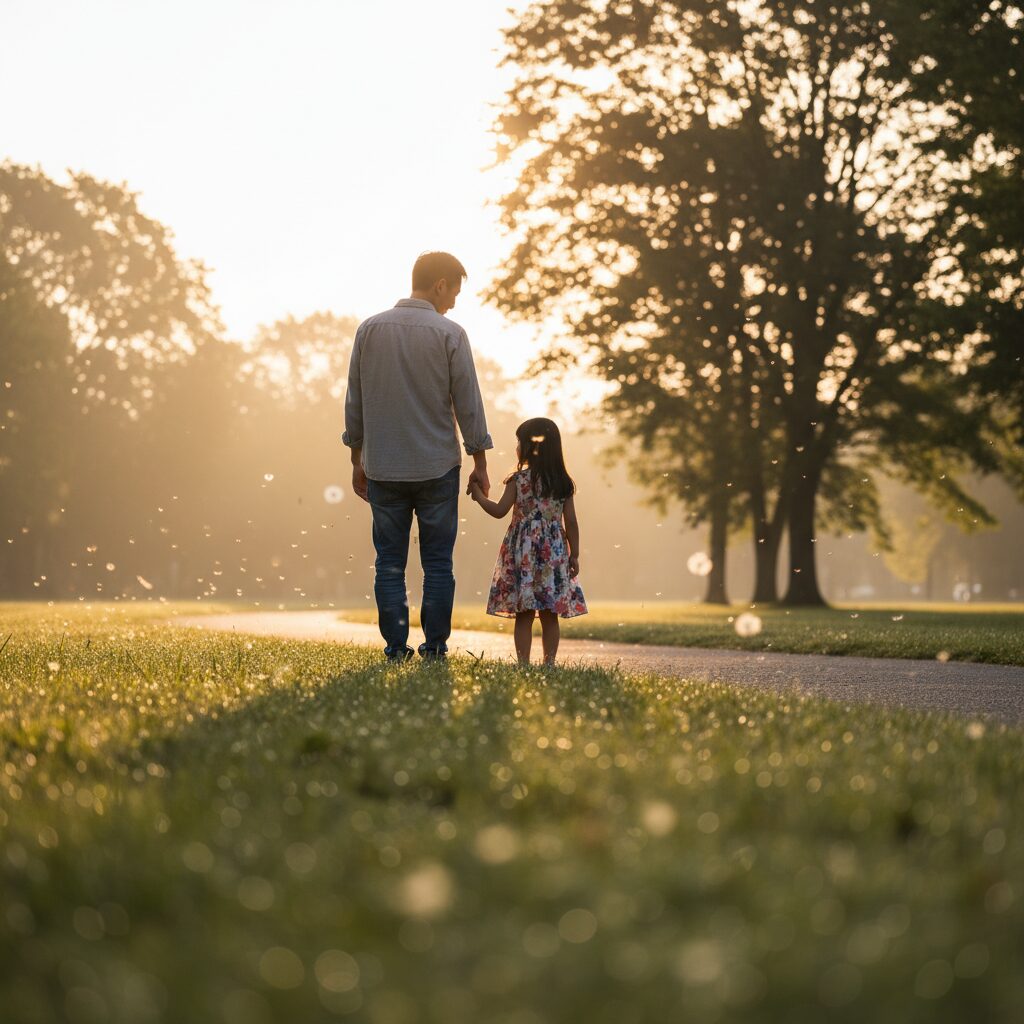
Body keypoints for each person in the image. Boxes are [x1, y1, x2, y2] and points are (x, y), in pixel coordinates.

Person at [342, 251, 493, 661]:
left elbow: (354, 401)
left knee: (389, 561)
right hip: (437, 467)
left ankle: (395, 648)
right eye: (455, 292)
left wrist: (357, 457)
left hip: (384, 466)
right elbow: (468, 402)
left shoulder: (368, 330)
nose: (455, 302)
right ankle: (436, 646)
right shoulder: (451, 334)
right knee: (438, 563)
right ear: (440, 284)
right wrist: (479, 459)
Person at [469, 417, 587, 665]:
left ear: (530, 447)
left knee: (524, 613)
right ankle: (549, 663)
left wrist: (478, 495)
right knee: (549, 612)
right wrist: (573, 554)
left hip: (523, 555)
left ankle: (523, 664)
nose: (516, 447)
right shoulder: (562, 483)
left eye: (518, 442)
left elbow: (499, 510)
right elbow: (572, 523)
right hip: (552, 555)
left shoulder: (519, 481)